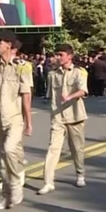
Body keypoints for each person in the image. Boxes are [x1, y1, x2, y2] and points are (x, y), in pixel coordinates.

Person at [0, 31, 33, 209]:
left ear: (8, 44)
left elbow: (26, 94)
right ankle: (6, 196)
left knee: (9, 150)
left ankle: (15, 186)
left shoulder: (22, 66)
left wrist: (29, 121)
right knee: (2, 159)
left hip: (14, 117)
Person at [39, 44, 88, 195]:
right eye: (57, 55)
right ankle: (48, 181)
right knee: (53, 149)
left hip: (75, 116)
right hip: (58, 117)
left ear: (69, 56)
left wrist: (70, 97)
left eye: (61, 55)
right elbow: (50, 95)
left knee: (76, 148)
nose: (58, 57)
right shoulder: (53, 74)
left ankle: (80, 173)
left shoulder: (79, 72)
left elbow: (83, 90)